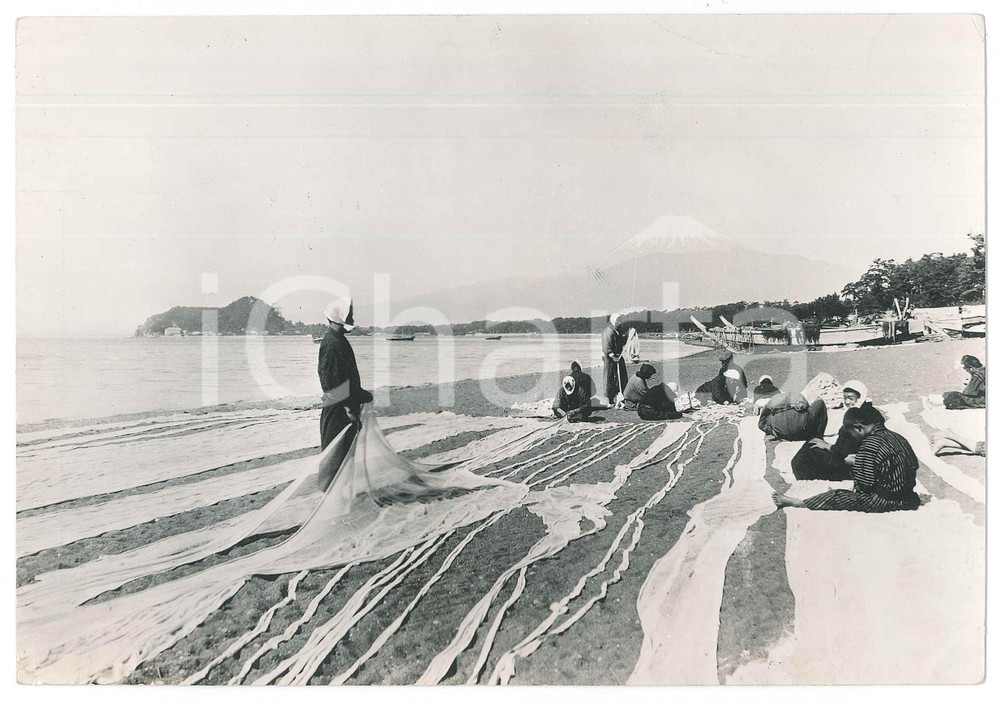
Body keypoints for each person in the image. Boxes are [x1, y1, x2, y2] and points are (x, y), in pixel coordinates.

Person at [773, 407, 920, 512]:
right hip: (909, 497)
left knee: (836, 496)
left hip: (886, 500)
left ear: (859, 428)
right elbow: (914, 465)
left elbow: (866, 484)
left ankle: (799, 503)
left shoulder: (870, 444)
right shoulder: (899, 437)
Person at [317, 296, 373, 491]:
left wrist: (361, 395)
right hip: (338, 408)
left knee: (345, 452)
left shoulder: (339, 341)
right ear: (337, 318)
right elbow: (331, 383)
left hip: (344, 404)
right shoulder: (332, 344)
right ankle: (329, 495)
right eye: (348, 316)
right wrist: (349, 408)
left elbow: (348, 378)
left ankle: (340, 493)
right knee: (335, 452)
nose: (351, 319)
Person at [791, 400, 884, 481]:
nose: (847, 402)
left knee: (804, 457)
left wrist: (828, 446)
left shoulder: (860, 425)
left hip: (847, 467)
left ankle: (809, 484)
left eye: (851, 398)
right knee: (810, 448)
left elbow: (845, 453)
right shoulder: (869, 419)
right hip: (845, 460)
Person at [758, 391, 828, 441]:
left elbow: (761, 423)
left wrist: (772, 431)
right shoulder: (799, 396)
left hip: (781, 430)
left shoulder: (774, 399)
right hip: (801, 428)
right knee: (820, 402)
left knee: (768, 417)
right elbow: (808, 411)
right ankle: (818, 437)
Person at [602, 313, 628, 401]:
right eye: (617, 321)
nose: (619, 322)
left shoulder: (618, 331)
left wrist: (628, 335)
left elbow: (621, 343)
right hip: (610, 358)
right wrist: (612, 356)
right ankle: (608, 398)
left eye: (620, 320)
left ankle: (622, 394)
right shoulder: (608, 331)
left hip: (619, 356)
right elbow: (606, 347)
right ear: (613, 321)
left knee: (622, 376)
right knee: (609, 377)